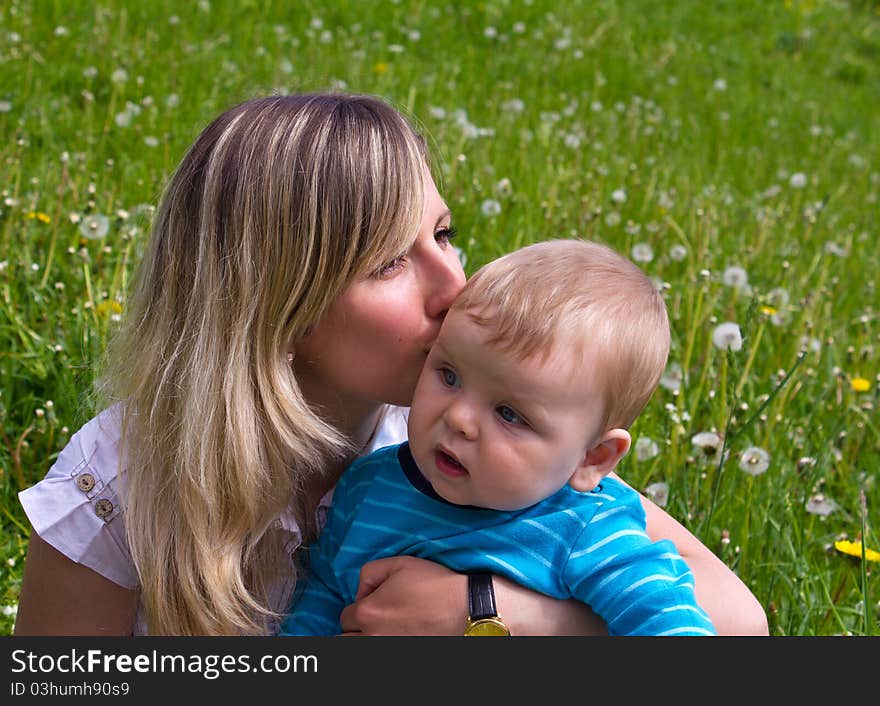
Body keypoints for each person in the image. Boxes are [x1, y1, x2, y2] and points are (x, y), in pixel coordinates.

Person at [13, 92, 767, 636]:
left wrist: (494, 615)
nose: (456, 286)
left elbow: (737, 620)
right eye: (387, 265)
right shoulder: (125, 482)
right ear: (280, 309)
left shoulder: (461, 428)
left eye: (445, 234)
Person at [282, 239, 716, 636]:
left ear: (593, 459)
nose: (460, 420)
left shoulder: (587, 530)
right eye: (449, 375)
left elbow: (672, 626)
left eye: (509, 414)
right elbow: (320, 599)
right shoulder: (368, 489)